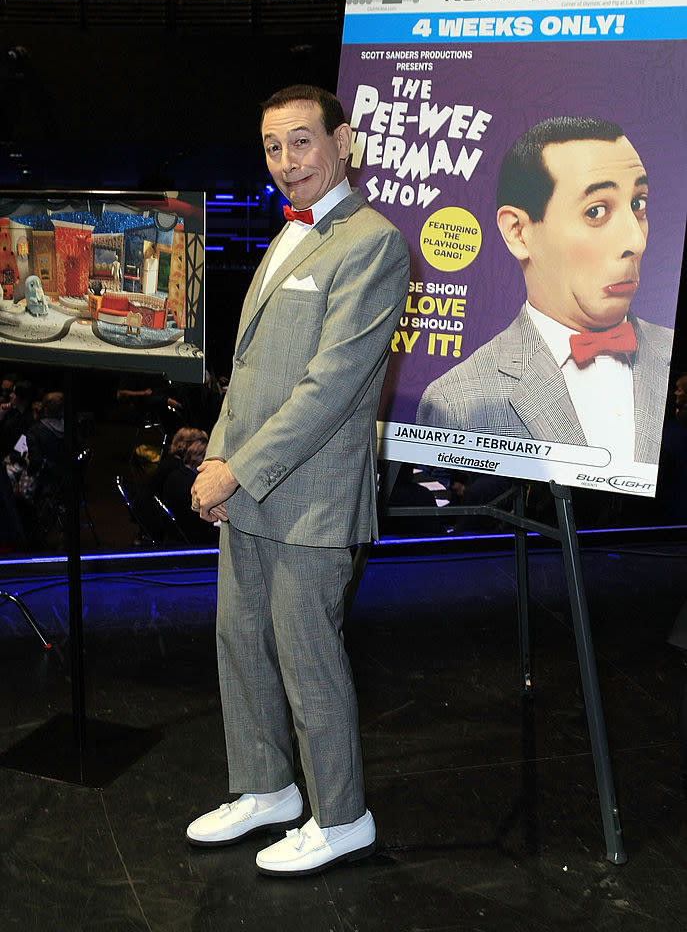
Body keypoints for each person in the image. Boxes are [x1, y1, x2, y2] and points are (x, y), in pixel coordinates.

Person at [187, 84, 409, 876]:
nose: (287, 162)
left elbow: (332, 384)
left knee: (307, 658)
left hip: (310, 497)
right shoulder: (289, 236)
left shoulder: (373, 242)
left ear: (342, 143)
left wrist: (235, 469)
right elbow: (246, 375)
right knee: (240, 645)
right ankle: (266, 789)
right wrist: (218, 458)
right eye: (274, 147)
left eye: (302, 142)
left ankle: (342, 816)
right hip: (248, 487)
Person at [417, 117, 673, 465]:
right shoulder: (457, 401)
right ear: (518, 232)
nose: (636, 240)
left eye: (638, 204)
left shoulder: (672, 357)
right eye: (596, 211)